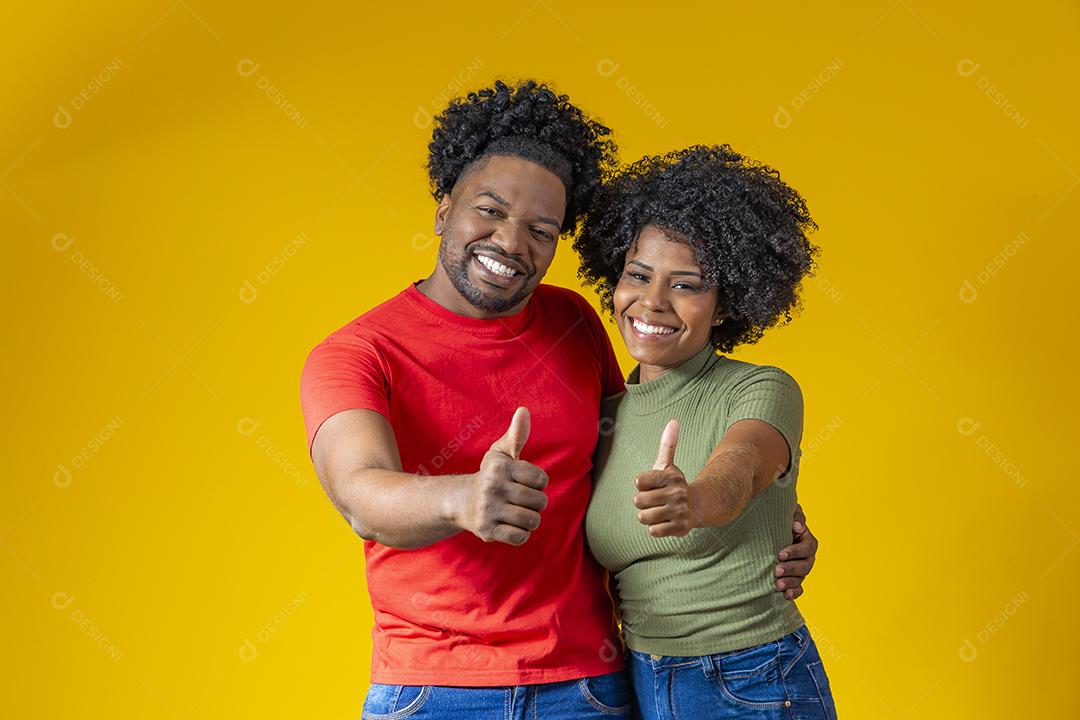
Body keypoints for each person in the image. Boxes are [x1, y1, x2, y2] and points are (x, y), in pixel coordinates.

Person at [300, 82, 819, 718]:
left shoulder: (574, 324)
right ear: (443, 208)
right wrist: (460, 497)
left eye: (541, 229)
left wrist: (765, 521)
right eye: (488, 211)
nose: (512, 243)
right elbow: (360, 492)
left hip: (594, 684)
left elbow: (639, 448)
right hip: (435, 690)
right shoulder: (357, 352)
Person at [577, 145, 838, 718]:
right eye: (638, 275)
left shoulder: (761, 388)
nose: (652, 301)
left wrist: (692, 500)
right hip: (635, 680)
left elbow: (741, 470)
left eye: (686, 285)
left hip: (750, 676)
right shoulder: (604, 414)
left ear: (724, 305)